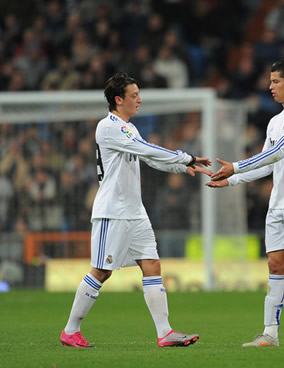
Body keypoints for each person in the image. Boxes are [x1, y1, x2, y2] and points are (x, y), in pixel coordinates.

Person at [60, 72, 212, 348]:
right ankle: (71, 330)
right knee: (101, 271)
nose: (139, 100)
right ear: (118, 100)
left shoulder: (128, 127)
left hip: (135, 210)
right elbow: (147, 149)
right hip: (113, 211)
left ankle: (165, 332)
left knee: (152, 265)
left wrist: (181, 166)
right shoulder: (108, 126)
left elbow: (148, 158)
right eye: (134, 95)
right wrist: (185, 156)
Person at [207, 60, 284, 347]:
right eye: (270, 81)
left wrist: (235, 166)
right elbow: (267, 165)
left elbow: (275, 154)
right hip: (278, 203)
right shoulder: (274, 121)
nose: (270, 87)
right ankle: (270, 333)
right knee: (275, 265)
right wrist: (233, 180)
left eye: (275, 81)